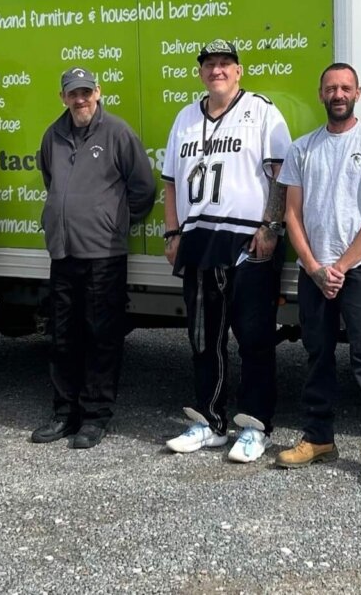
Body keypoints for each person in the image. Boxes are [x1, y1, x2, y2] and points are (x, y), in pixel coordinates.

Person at [160, 38, 291, 463]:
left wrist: (271, 227)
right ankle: (209, 422)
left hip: (247, 242)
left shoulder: (262, 111)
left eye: (225, 64)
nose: (217, 70)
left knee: (254, 338)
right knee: (204, 338)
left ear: (238, 71)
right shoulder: (183, 117)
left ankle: (255, 425)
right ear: (200, 72)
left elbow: (280, 176)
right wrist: (171, 233)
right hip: (199, 241)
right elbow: (172, 182)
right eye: (209, 64)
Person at [274, 63, 361, 485]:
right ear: (321, 94)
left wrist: (341, 267)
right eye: (331, 88)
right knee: (316, 356)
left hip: (360, 272)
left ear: (358, 93)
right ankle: (318, 438)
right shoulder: (302, 149)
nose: (338, 94)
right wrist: (313, 268)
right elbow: (291, 214)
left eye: (345, 87)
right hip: (314, 273)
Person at [30, 67, 156, 449]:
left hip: (104, 254)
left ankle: (96, 416)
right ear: (63, 97)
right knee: (63, 336)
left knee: (102, 336)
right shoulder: (53, 134)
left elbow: (143, 189)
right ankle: (64, 413)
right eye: (73, 93)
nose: (80, 99)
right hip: (64, 251)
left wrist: (113, 222)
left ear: (98, 92)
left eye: (86, 92)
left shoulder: (117, 132)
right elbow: (51, 180)